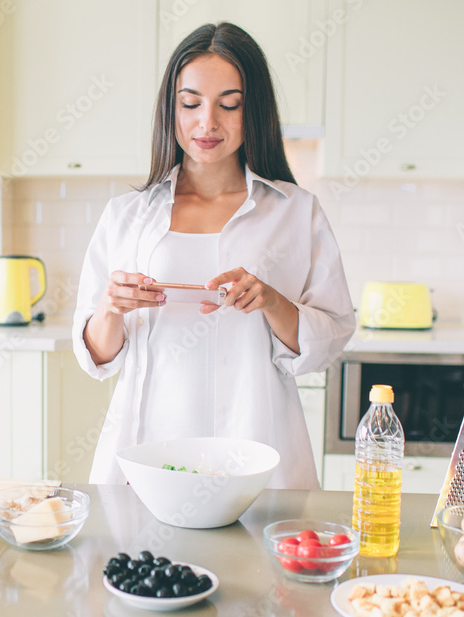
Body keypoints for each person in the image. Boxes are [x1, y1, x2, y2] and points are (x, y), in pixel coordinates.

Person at [72, 22, 355, 489]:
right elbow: (96, 357)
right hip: (147, 448)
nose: (208, 123)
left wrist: (271, 301)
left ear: (254, 110)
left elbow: (331, 336)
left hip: (260, 448)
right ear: (171, 110)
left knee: (256, 562)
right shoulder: (127, 216)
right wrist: (112, 307)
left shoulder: (296, 211)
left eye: (229, 104)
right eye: (191, 104)